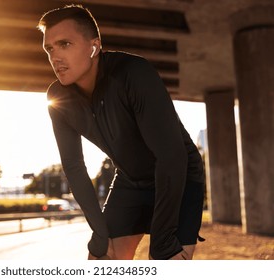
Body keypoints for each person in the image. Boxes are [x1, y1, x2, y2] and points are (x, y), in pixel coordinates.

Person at [37, 4, 205, 260]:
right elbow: (73, 165)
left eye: (65, 44)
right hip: (130, 180)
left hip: (177, 175)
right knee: (102, 260)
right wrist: (99, 232)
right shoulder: (58, 97)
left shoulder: (134, 74)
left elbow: (172, 158)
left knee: (165, 261)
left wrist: (162, 242)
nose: (55, 57)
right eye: (50, 48)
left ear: (94, 46)